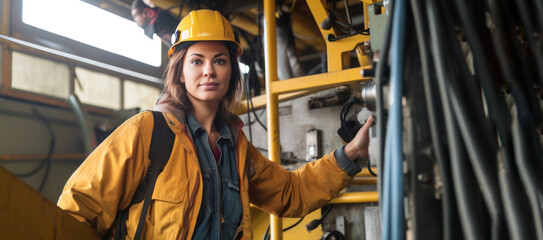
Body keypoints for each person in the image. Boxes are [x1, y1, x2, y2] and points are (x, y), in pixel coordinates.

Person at [57, 9, 374, 240]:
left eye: (220, 61)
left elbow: (291, 192)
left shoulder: (237, 148)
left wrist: (351, 153)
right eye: (197, 61)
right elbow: (79, 208)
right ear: (180, 71)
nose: (209, 71)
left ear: (232, 73)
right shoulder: (146, 132)